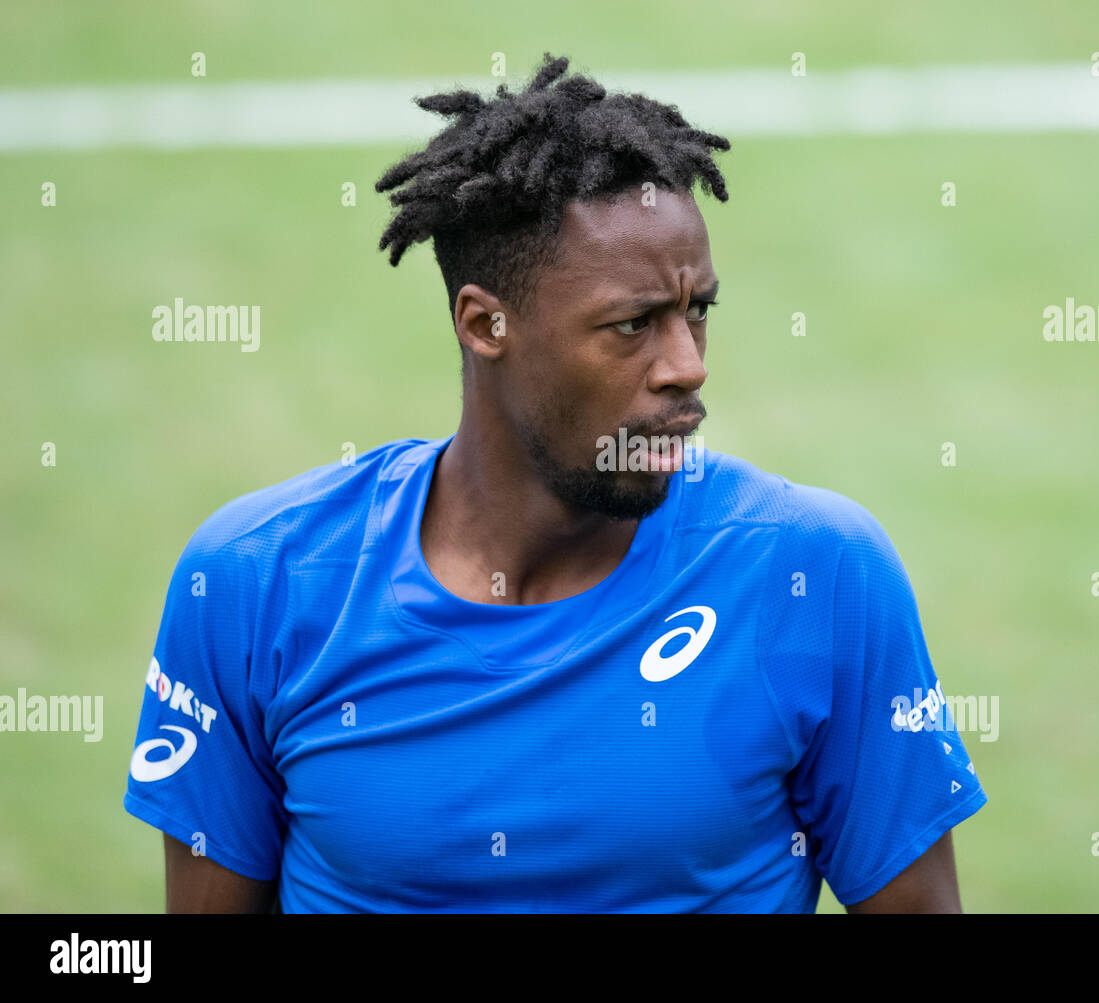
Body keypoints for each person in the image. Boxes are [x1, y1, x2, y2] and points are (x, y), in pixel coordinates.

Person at [124, 52, 987, 913]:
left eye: (698, 312)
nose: (687, 366)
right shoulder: (254, 580)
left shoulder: (816, 574)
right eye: (632, 325)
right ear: (484, 323)